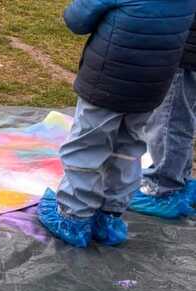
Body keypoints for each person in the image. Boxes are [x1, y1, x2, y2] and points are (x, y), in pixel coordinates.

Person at [39, 0, 196, 247]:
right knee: (129, 147)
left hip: (109, 78)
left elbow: (76, 19)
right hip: (153, 82)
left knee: (87, 145)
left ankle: (73, 213)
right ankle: (110, 214)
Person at [130, 19, 196, 219]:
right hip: (186, 47)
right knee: (179, 117)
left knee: (168, 121)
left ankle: (162, 187)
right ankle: (178, 178)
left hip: (184, 50)